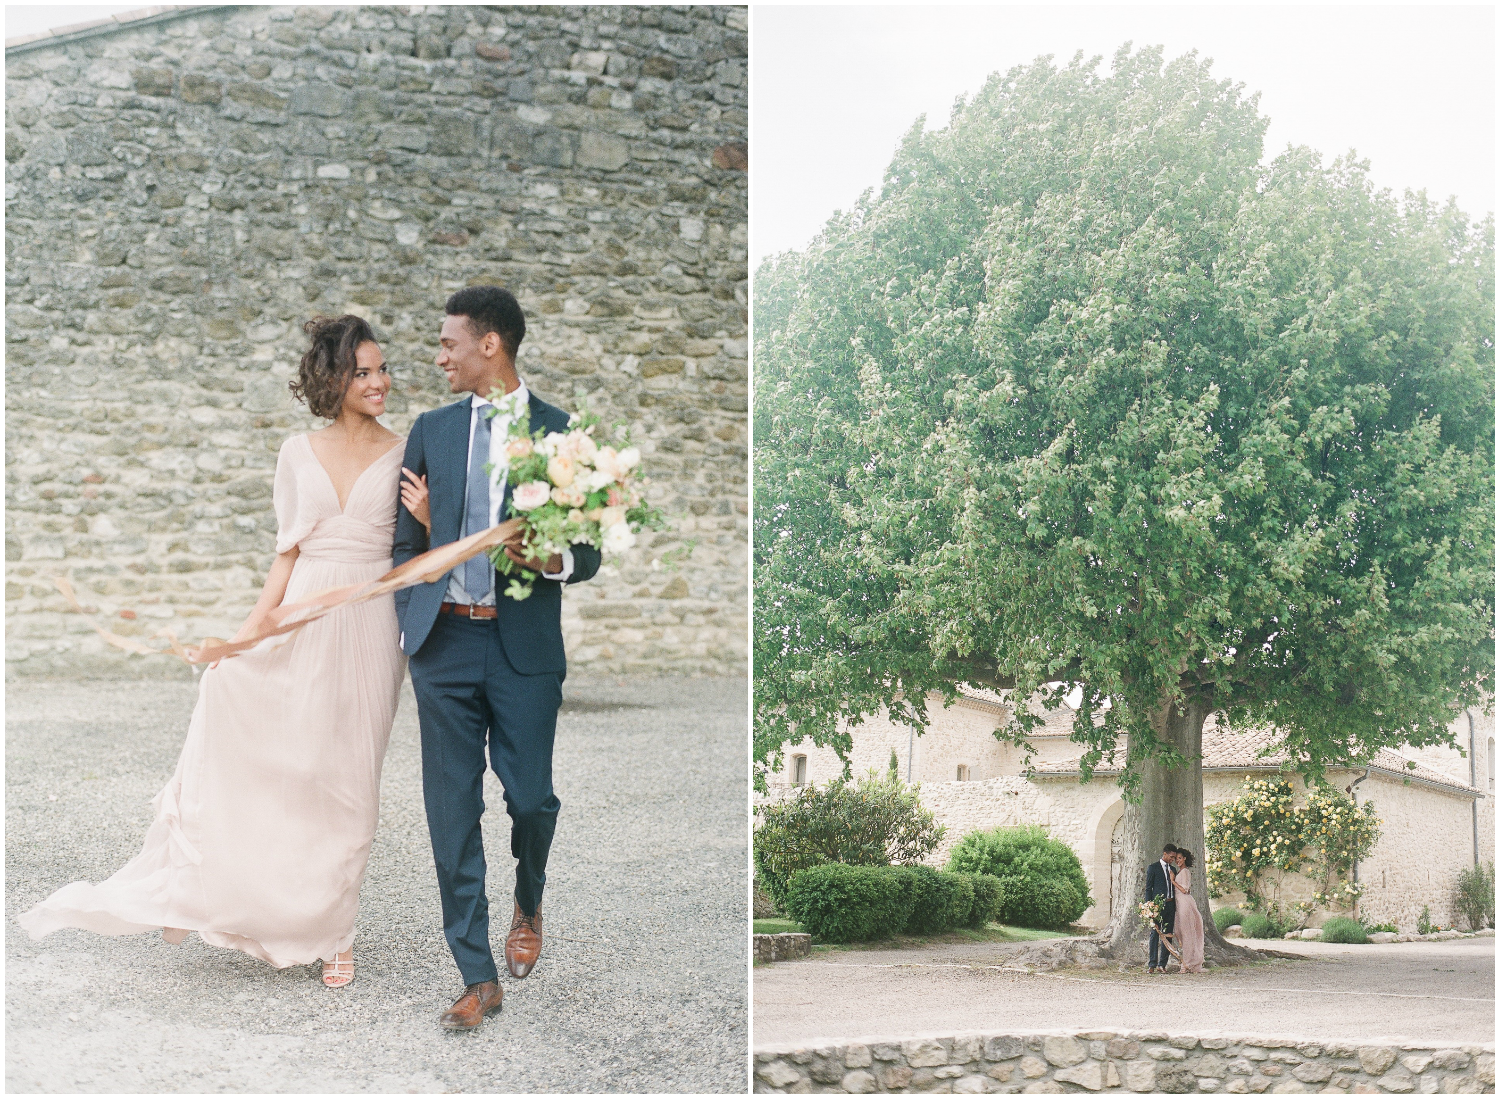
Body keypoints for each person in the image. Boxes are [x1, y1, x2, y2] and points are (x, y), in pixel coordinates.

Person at [19, 315, 409, 990]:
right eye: (364, 371)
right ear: (334, 379)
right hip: (303, 611)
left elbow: (421, 546)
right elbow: (286, 556)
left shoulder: (408, 450)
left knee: (347, 775)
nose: (379, 381)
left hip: (373, 619)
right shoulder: (297, 451)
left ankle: (336, 930)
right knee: (275, 746)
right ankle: (210, 888)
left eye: (382, 369)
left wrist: (429, 515)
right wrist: (243, 637)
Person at [393, 286, 602, 1031]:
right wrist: (410, 619)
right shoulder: (432, 430)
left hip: (524, 648)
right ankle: (476, 975)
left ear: (491, 345)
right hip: (443, 645)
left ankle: (530, 896)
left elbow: (590, 553)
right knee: (450, 813)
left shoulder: (561, 435)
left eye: (449, 343)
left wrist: (550, 558)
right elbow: (403, 546)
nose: (439, 355)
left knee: (532, 798)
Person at [1144, 842, 1179, 973]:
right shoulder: (1153, 868)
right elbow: (1148, 889)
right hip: (1157, 907)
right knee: (1155, 934)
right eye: (1171, 856)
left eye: (1174, 857)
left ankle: (1162, 964)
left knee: (1168, 934)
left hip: (1170, 905)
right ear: (1164, 854)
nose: (1172, 859)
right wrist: (1149, 907)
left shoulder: (1173, 870)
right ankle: (1152, 964)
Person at [1170, 848, 1205, 973]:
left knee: (1186, 933)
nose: (1177, 861)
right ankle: (1188, 961)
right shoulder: (1181, 871)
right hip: (1180, 903)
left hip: (1184, 903)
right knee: (1180, 932)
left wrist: (1173, 881)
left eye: (1179, 858)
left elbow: (1185, 890)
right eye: (1176, 859)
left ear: (1184, 858)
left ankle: (1187, 964)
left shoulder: (1184, 872)